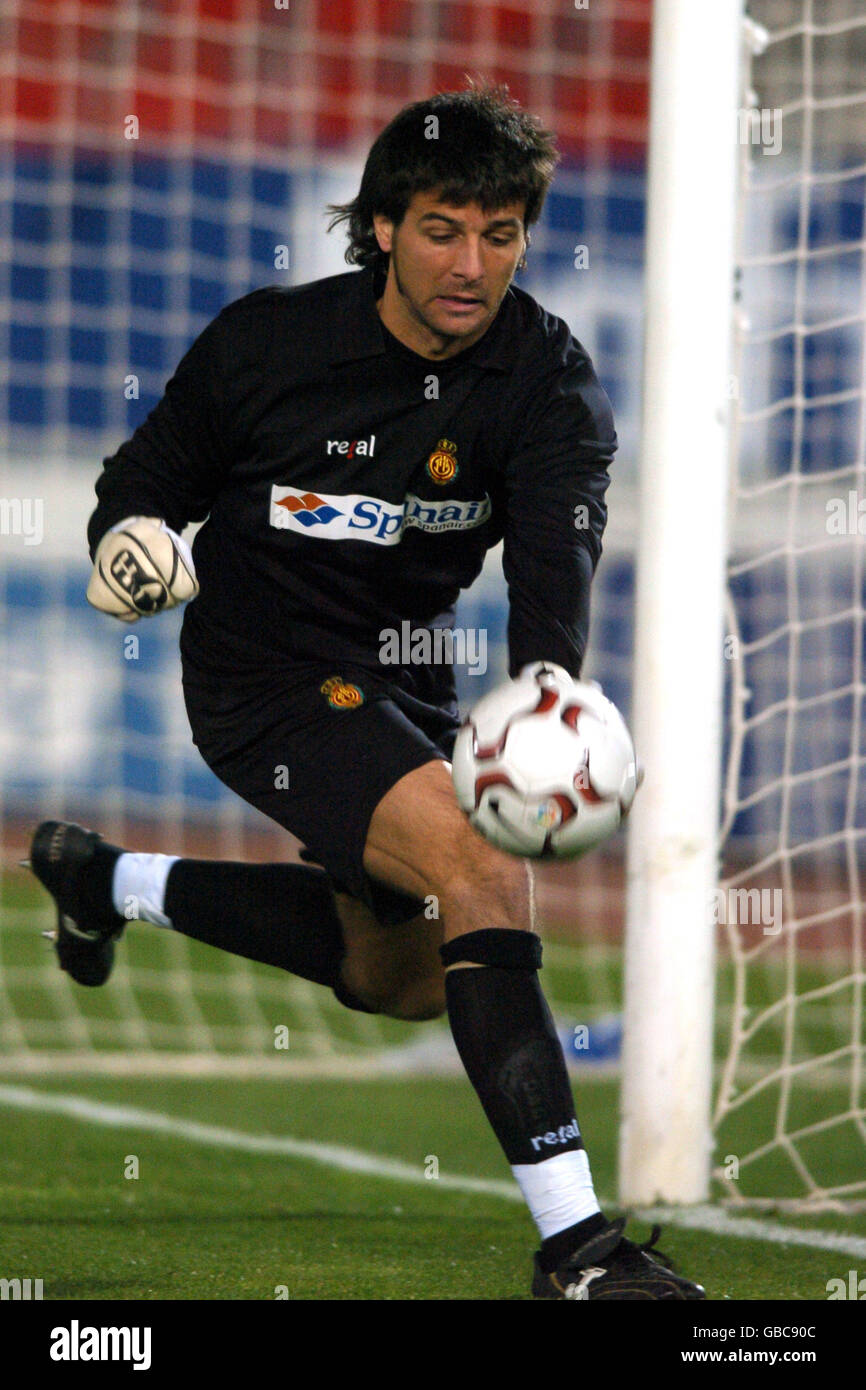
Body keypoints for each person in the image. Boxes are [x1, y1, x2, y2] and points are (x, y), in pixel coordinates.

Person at [30, 85, 704, 1300]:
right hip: (260, 674)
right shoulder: (269, 346)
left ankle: (106, 881)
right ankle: (579, 1253)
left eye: (499, 235)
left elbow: (553, 563)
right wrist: (129, 542)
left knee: (398, 978)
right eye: (442, 229)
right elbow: (141, 485)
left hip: (406, 673)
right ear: (383, 227)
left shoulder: (543, 380)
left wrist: (544, 701)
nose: (470, 264)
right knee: (479, 866)